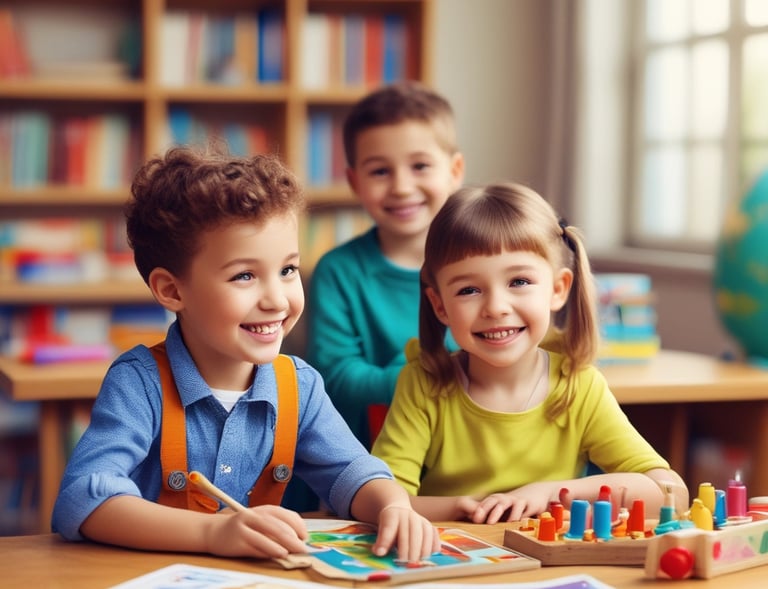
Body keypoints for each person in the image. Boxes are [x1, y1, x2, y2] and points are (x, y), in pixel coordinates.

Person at [51, 145, 440, 562]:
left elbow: (351, 474)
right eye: (245, 275)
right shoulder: (139, 382)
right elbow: (82, 499)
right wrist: (212, 533)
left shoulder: (300, 386)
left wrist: (392, 506)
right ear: (171, 290)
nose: (276, 299)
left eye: (288, 270)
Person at [371, 183, 689, 524]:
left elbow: (672, 493)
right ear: (440, 306)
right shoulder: (422, 385)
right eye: (469, 290)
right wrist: (471, 507)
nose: (496, 307)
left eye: (519, 282)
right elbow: (381, 498)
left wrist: (548, 494)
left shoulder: (579, 386)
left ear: (557, 289)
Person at [305, 81, 465, 449]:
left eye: (420, 166)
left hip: (469, 448)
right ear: (354, 181)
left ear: (455, 171)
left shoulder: (484, 262)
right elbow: (336, 378)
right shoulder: (338, 271)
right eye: (380, 172)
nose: (402, 187)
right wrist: (430, 374)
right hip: (374, 457)